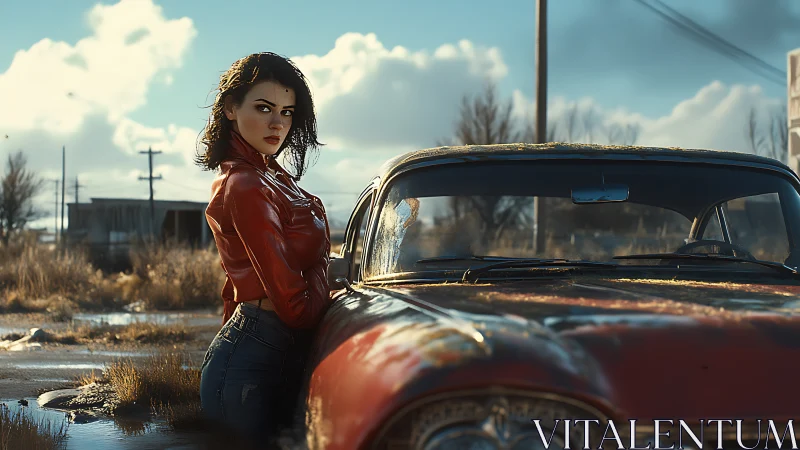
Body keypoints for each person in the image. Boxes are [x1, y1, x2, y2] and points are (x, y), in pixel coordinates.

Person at [194, 52, 333, 446]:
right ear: (230, 109)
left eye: (287, 112)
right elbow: (295, 307)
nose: (278, 123)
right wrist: (324, 264)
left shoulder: (272, 176)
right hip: (248, 366)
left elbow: (232, 288)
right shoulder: (245, 184)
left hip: (270, 352)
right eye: (264, 108)